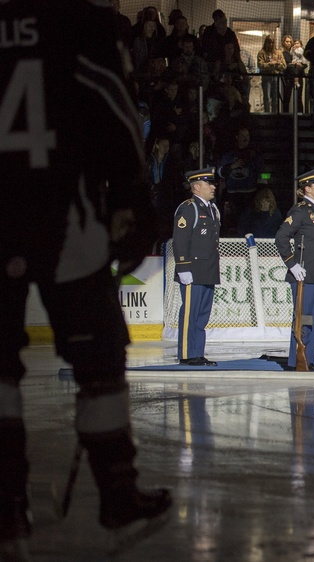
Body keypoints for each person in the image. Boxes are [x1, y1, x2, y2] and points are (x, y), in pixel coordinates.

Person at [0, 2, 173, 556]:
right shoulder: (79, 22)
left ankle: (6, 515)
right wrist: (131, 201)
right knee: (100, 363)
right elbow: (115, 110)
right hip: (64, 218)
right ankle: (118, 497)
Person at [275, 168, 314, 371]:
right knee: (303, 317)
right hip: (304, 274)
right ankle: (297, 360)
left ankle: (309, 359)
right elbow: (281, 238)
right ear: (307, 188)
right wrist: (292, 264)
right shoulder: (300, 210)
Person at [173, 168, 221, 366]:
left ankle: (197, 352)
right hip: (192, 270)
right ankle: (187, 354)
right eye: (209, 183)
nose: (213, 186)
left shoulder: (212, 209)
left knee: (201, 315)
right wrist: (183, 267)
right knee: (190, 314)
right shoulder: (188, 208)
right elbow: (180, 239)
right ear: (196, 187)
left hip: (208, 270)